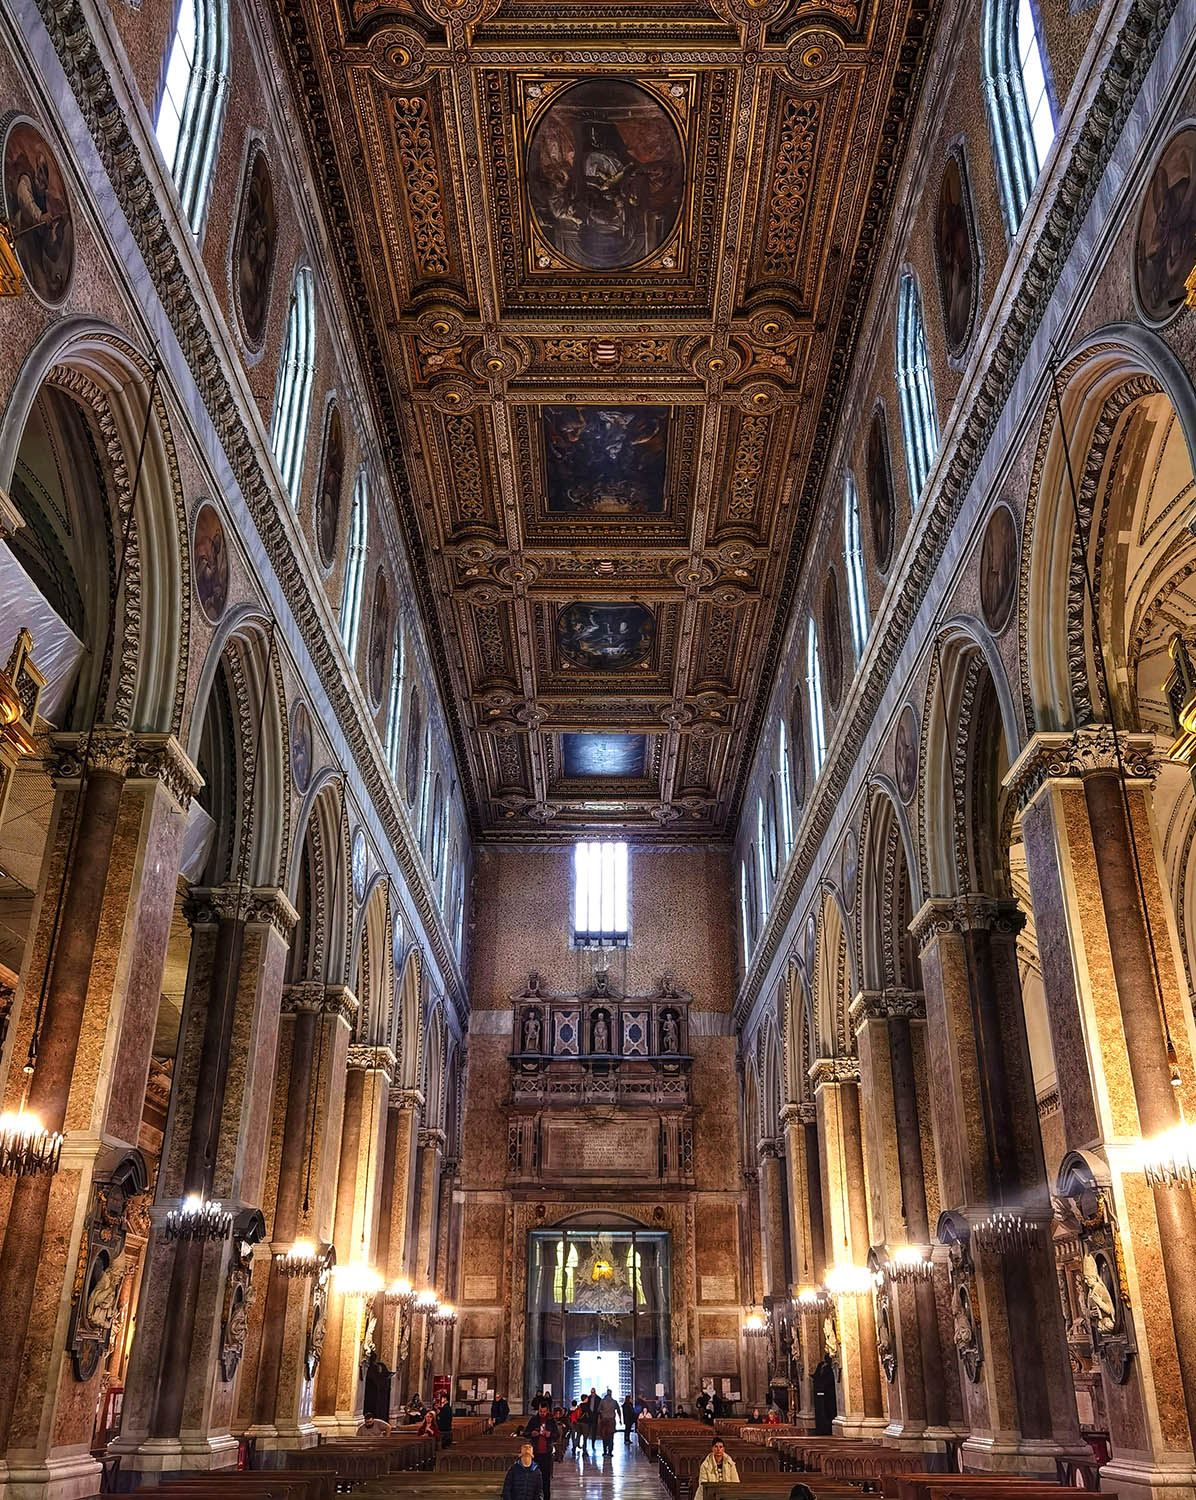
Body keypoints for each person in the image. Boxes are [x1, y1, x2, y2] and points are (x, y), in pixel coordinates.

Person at [524, 1400, 559, 1500]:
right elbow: (525, 1432)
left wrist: (550, 1434)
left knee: (545, 1478)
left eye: (544, 1411)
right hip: (535, 1453)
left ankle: (546, 1497)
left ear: (547, 1411)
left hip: (546, 1453)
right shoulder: (534, 1420)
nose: (542, 1413)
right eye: (540, 1411)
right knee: (534, 1477)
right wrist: (531, 1433)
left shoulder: (551, 1421)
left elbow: (557, 1435)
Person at [812, 1356, 837, 1436]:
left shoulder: (829, 1368)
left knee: (827, 1411)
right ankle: (821, 1429)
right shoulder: (820, 1365)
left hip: (828, 1394)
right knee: (821, 1411)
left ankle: (827, 1429)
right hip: (820, 1394)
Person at [597, 1388, 618, 1456]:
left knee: (604, 1436)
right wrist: (620, 1419)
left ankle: (605, 1451)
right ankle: (610, 1451)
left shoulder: (602, 1401)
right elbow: (618, 1410)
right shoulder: (614, 1402)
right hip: (611, 1421)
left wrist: (602, 1413)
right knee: (611, 1437)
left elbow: (598, 1410)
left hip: (604, 1421)